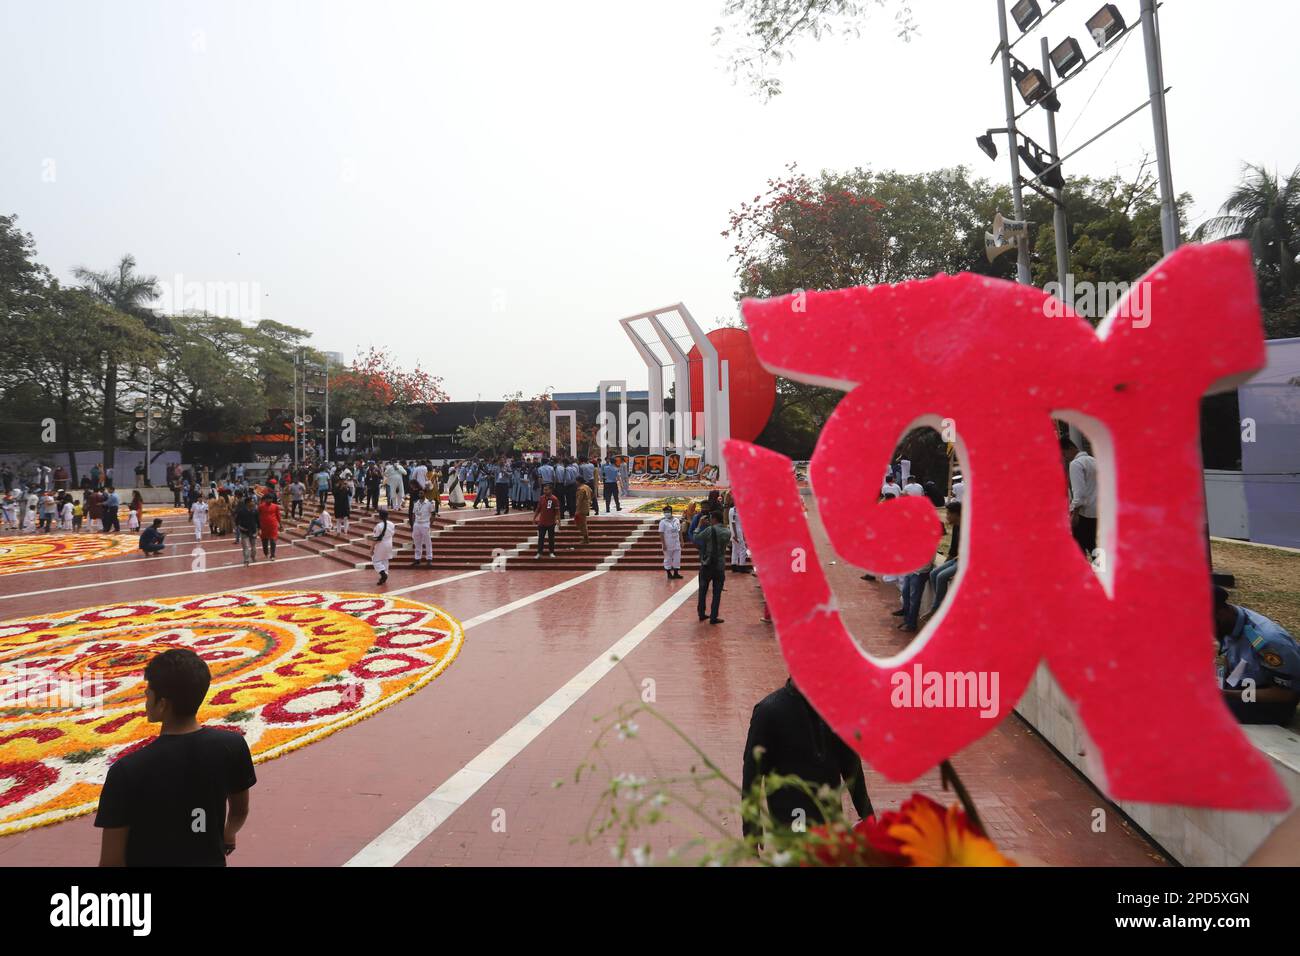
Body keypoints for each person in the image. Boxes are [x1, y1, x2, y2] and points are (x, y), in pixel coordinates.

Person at [95, 648, 256, 866]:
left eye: (148, 692)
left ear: (162, 704)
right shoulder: (231, 746)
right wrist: (227, 834)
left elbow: (111, 863)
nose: (146, 698)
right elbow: (239, 812)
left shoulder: (126, 771)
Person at [740, 678, 873, 845]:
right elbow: (752, 772)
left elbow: (851, 766)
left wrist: (867, 814)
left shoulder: (835, 709)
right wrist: (751, 824)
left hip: (828, 818)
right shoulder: (769, 712)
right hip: (790, 818)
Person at [1214, 586, 1300, 725]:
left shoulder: (1266, 641)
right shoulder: (1231, 620)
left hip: (1269, 702)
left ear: (1221, 613)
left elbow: (1286, 694)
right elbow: (1230, 657)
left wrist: (1227, 694)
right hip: (1241, 686)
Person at [920, 501, 962, 623]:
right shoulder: (956, 526)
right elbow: (953, 548)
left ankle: (937, 609)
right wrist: (946, 562)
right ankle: (940, 602)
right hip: (955, 559)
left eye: (949, 514)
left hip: (964, 561)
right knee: (933, 573)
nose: (947, 516)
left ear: (957, 514)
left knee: (941, 577)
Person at [1061, 436, 1098, 557]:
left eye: (1064, 454)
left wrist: (1074, 514)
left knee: (1079, 549)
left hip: (1084, 514)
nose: (1065, 458)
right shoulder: (1094, 461)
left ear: (1070, 448)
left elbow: (1079, 494)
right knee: (1096, 548)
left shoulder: (1076, 464)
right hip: (1098, 513)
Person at [693, 510, 731, 625]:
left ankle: (701, 613)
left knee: (703, 590)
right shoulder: (727, 531)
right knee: (717, 592)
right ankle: (714, 616)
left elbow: (696, 538)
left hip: (707, 564)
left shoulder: (710, 530)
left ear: (714, 519)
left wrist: (699, 525)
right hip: (719, 565)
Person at [534, 483, 560, 559]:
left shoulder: (554, 499)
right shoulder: (541, 498)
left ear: (551, 490)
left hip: (551, 522)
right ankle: (539, 553)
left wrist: (557, 520)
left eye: (546, 489)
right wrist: (534, 518)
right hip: (542, 522)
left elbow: (557, 511)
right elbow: (538, 509)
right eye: (544, 489)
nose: (544, 491)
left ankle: (551, 552)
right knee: (540, 538)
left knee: (551, 538)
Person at [411, 489, 436, 567]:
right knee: (417, 542)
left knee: (427, 542)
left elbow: (433, 514)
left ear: (425, 494)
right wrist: (413, 524)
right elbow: (413, 514)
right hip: (417, 524)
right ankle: (417, 558)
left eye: (421, 493)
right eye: (419, 493)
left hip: (425, 524)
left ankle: (429, 558)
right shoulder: (416, 503)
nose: (420, 494)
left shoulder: (429, 503)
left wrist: (430, 524)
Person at [371, 507, 395, 585]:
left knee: (375, 560)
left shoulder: (379, 526)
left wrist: (371, 549)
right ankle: (384, 575)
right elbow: (392, 534)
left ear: (380, 516)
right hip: (389, 543)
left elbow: (376, 538)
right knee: (385, 560)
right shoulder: (391, 524)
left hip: (381, 544)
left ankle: (382, 573)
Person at [728, 496, 751, 573]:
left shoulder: (732, 510)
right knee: (743, 549)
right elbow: (733, 523)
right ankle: (742, 566)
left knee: (735, 549)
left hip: (735, 531)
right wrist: (735, 535)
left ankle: (734, 565)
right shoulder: (734, 510)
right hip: (737, 532)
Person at [659, 505, 682, 580]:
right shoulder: (663, 522)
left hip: (676, 542)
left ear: (671, 512)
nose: (666, 513)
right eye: (665, 512)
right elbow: (661, 533)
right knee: (667, 559)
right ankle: (669, 573)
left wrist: (682, 540)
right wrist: (664, 544)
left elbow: (679, 530)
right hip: (667, 543)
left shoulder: (676, 520)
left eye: (668, 512)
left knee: (677, 558)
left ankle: (676, 573)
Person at [258, 493, 281, 561]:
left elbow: (278, 516)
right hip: (264, 526)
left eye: (271, 499)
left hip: (273, 526)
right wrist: (258, 526)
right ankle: (266, 552)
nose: (269, 500)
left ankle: (272, 555)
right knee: (264, 541)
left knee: (273, 540)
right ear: (265, 499)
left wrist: (281, 525)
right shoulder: (260, 506)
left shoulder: (276, 506)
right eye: (268, 498)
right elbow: (258, 516)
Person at [575, 479, 592, 545]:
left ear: (578, 481)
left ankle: (585, 538)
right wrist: (589, 500)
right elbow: (592, 492)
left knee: (582, 524)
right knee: (583, 522)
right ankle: (585, 537)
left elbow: (579, 500)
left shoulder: (581, 489)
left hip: (581, 508)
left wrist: (577, 509)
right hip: (586, 506)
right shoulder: (586, 487)